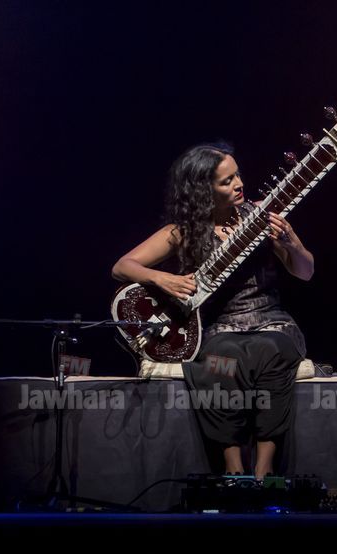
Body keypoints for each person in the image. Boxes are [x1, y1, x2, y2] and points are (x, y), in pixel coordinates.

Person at [111, 141, 314, 479]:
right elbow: (122, 266)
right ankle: (233, 466)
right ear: (203, 190)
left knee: (271, 352)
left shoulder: (261, 217)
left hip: (272, 323)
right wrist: (162, 278)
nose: (239, 184)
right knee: (220, 362)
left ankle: (264, 467)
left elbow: (305, 272)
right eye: (226, 181)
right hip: (220, 329)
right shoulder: (184, 232)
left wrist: (293, 243)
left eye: (238, 175)